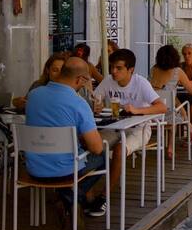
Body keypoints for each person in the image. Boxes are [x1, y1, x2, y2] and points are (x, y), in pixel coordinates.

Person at [23, 57, 108, 218]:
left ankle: (68, 197)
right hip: (65, 170)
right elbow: (96, 147)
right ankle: (72, 198)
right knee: (102, 156)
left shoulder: (33, 95)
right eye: (85, 80)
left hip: (33, 167)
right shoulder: (78, 103)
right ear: (79, 79)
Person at [96, 49, 166, 187]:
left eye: (119, 68)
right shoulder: (108, 81)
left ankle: (105, 196)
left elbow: (162, 107)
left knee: (119, 150)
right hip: (115, 126)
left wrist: (137, 110)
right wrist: (96, 106)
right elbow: (96, 98)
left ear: (131, 70)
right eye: (112, 67)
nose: (113, 71)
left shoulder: (140, 83)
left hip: (140, 128)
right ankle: (85, 191)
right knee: (93, 145)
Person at [150, 45, 192, 143]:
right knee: (177, 104)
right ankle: (189, 129)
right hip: (168, 112)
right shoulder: (177, 72)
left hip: (152, 109)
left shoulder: (153, 69)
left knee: (175, 100)